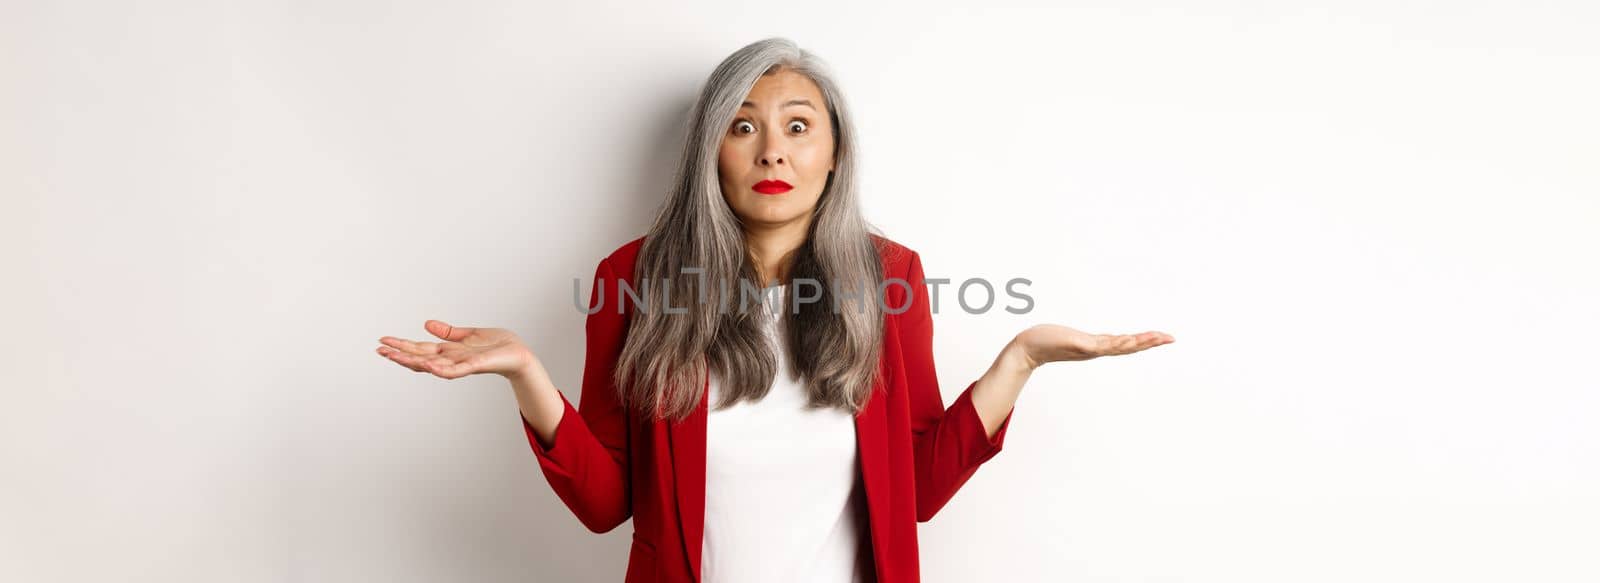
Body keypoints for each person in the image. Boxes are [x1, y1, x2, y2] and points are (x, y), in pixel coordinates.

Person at [375, 37, 1174, 583]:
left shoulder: (889, 278)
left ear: (835, 153)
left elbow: (916, 492)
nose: (773, 151)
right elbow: (605, 504)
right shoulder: (635, 278)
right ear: (708, 150)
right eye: (743, 126)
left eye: (799, 126)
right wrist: (525, 374)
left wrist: (1019, 360)